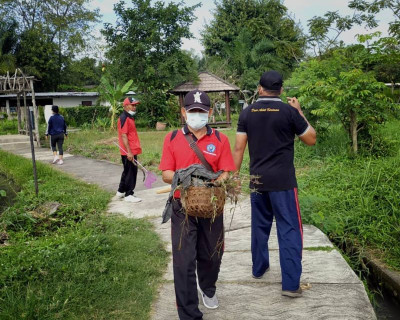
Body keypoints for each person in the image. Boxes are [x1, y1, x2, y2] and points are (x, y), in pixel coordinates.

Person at [233, 70, 317, 298]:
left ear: (259, 88)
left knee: (259, 226)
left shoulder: (247, 113)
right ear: (280, 90)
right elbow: (311, 139)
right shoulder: (289, 112)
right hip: (283, 182)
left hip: (257, 181)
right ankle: (290, 285)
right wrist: (300, 111)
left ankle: (259, 269)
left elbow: (239, 148)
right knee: (289, 229)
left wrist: (233, 177)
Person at [159, 90, 236, 320]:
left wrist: (211, 184)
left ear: (209, 113)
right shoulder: (172, 138)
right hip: (182, 205)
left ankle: (208, 288)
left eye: (201, 111)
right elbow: (165, 173)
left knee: (212, 254)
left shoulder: (220, 139)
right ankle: (189, 313)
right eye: (192, 111)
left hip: (211, 205)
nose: (196, 115)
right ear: (184, 113)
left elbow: (226, 171)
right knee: (183, 261)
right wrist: (187, 180)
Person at [115, 97, 142, 203]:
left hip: (131, 149)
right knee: (131, 172)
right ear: (126, 106)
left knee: (127, 170)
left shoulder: (129, 117)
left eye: (135, 105)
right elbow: (124, 135)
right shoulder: (124, 118)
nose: (135, 107)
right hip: (129, 150)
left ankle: (121, 191)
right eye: (133, 105)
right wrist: (129, 152)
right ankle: (129, 194)